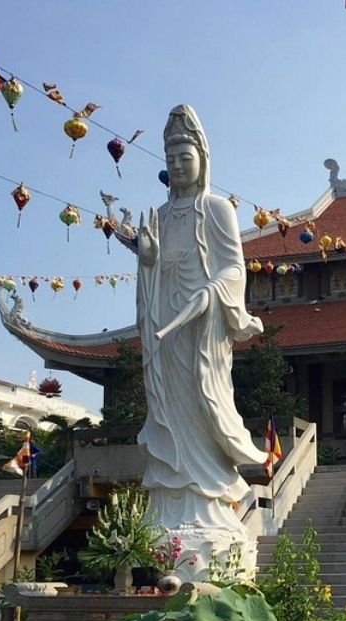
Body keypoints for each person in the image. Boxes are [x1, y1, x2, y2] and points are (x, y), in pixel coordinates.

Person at [126, 104, 268, 576]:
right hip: (165, 328)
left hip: (202, 332)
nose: (178, 165)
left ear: (201, 159)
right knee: (166, 407)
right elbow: (155, 268)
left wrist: (213, 292)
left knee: (202, 404)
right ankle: (169, 507)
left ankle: (207, 507)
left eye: (185, 156)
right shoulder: (161, 215)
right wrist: (147, 257)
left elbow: (233, 267)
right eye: (171, 158)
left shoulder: (217, 209)